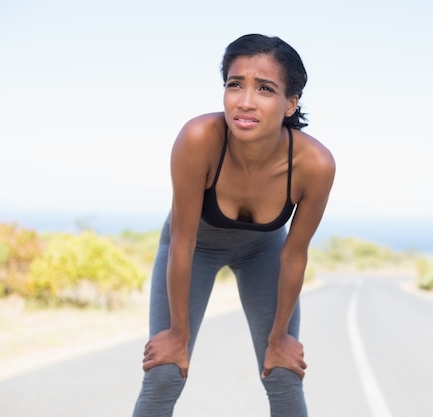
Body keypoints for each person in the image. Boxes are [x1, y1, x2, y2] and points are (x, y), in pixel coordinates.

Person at [132, 33, 335, 417]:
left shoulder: (314, 165)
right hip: (193, 248)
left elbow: (294, 257)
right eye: (235, 84)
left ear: (291, 103)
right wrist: (177, 335)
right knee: (164, 373)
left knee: (283, 374)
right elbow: (182, 241)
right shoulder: (199, 138)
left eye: (265, 89)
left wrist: (279, 340)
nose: (245, 101)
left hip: (264, 253)